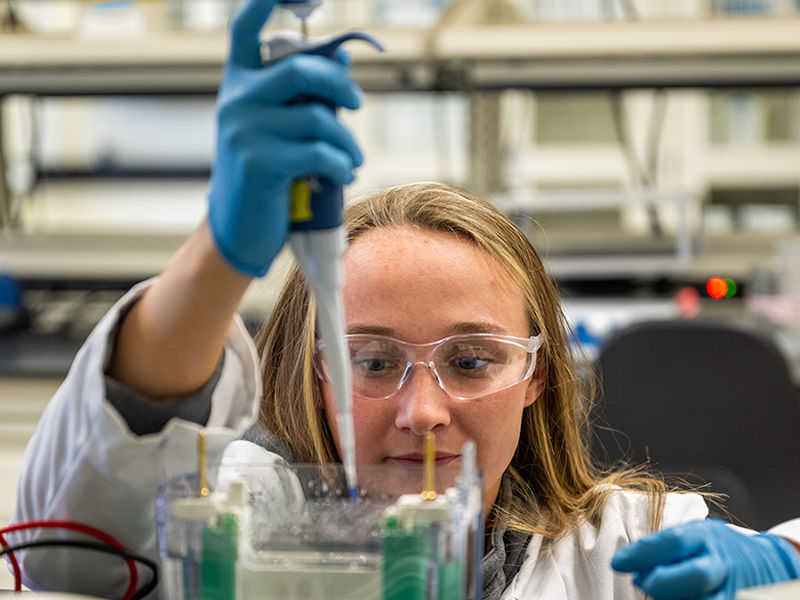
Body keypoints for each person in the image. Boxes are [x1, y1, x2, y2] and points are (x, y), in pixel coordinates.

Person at [7, 1, 800, 599]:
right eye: (375, 361)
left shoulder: (623, 551)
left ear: (537, 376)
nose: (423, 412)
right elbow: (75, 541)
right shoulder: (241, 520)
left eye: (472, 359)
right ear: (318, 375)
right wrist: (220, 252)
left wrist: (782, 561)